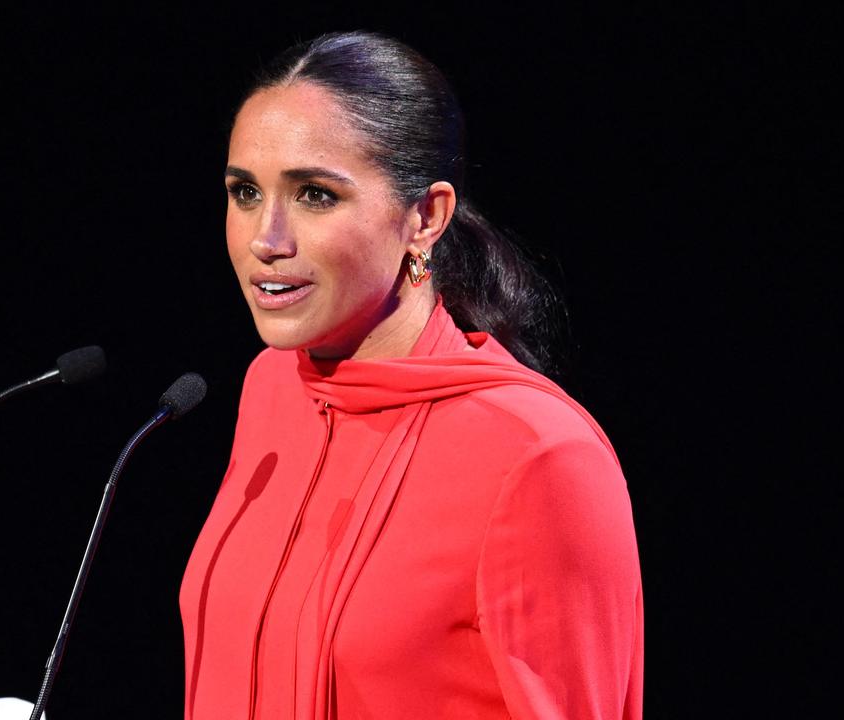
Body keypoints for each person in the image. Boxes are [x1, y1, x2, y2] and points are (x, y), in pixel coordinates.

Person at [179, 31, 642, 720]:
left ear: (426, 217)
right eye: (244, 191)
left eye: (314, 195)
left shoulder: (540, 457)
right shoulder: (272, 388)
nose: (264, 240)